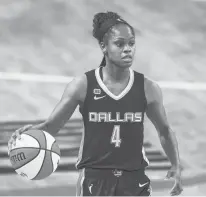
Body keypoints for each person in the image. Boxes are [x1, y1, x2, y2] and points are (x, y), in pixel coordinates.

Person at [8, 11, 183, 196]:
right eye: (120, 43)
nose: (128, 49)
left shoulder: (148, 88)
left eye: (131, 43)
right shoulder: (83, 85)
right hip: (94, 180)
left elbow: (164, 130)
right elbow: (52, 126)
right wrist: (27, 136)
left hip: (135, 180)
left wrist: (176, 165)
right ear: (103, 46)